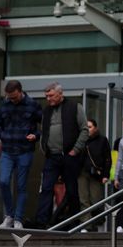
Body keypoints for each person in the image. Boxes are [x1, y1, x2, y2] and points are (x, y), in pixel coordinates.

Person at [35, 82, 88, 229]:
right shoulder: (46, 111)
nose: (48, 99)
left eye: (51, 95)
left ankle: (74, 221)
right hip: (52, 156)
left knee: (71, 189)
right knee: (46, 188)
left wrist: (75, 150)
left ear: (60, 93)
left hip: (69, 155)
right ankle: (42, 221)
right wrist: (43, 148)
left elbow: (84, 130)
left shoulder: (75, 107)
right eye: (46, 96)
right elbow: (44, 131)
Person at [0, 81, 42, 230]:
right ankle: (10, 215)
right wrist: (3, 136)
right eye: (9, 97)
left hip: (24, 150)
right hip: (8, 150)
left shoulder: (33, 105)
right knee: (3, 181)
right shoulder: (4, 104)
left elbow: (44, 125)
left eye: (14, 97)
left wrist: (35, 135)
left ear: (20, 92)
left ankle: (18, 218)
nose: (12, 100)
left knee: (21, 186)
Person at [77, 119, 111, 232]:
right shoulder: (80, 139)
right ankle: (86, 225)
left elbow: (107, 159)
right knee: (83, 199)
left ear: (95, 128)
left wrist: (106, 174)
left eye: (90, 127)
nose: (87, 129)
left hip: (96, 174)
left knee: (96, 199)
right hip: (81, 172)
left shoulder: (102, 140)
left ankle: (98, 221)